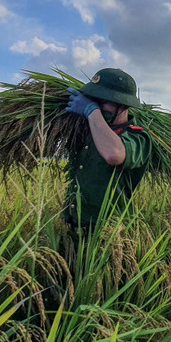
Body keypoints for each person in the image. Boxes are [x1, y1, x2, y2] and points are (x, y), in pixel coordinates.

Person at [62, 68, 152, 233]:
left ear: (123, 104)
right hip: (74, 226)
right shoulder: (87, 130)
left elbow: (114, 154)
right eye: (94, 100)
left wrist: (91, 111)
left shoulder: (138, 137)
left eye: (103, 101)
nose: (97, 106)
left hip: (110, 233)